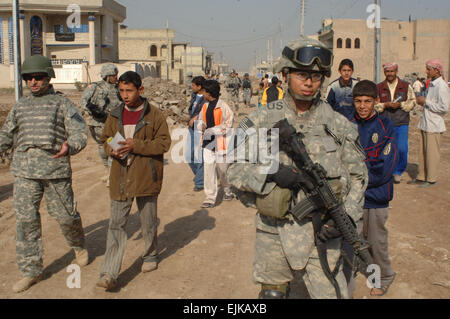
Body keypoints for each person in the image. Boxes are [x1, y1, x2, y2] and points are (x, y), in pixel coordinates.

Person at [226, 36, 367, 299]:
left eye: (316, 76)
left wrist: (346, 215)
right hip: (274, 231)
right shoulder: (260, 120)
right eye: (302, 74)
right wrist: (270, 173)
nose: (309, 82)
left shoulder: (339, 125)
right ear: (286, 74)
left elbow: (359, 176)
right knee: (272, 296)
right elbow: (234, 169)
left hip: (324, 234)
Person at [0, 55, 89, 293]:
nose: (33, 82)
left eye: (38, 77)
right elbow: (6, 135)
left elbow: (80, 134)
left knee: (66, 216)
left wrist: (69, 146)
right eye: (28, 78)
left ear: (49, 77)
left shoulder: (63, 104)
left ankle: (78, 245)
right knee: (26, 221)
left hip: (55, 170)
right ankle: (31, 271)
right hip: (24, 171)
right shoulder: (20, 106)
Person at [96, 71, 171, 290]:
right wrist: (112, 149)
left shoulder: (154, 115)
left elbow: (164, 143)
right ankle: (109, 272)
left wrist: (135, 145)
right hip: (121, 175)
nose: (125, 95)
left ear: (140, 90)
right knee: (116, 224)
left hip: (146, 175)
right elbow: (106, 138)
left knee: (148, 221)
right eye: (121, 91)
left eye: (129, 91)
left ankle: (149, 255)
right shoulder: (114, 114)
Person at [347, 80, 397, 297]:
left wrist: (358, 174)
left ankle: (382, 277)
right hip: (351, 199)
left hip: (376, 198)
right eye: (358, 101)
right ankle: (348, 278)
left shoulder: (386, 126)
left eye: (367, 101)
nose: (363, 106)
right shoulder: (346, 125)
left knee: (376, 243)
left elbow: (385, 168)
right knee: (351, 242)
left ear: (375, 101)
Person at [80, 63, 121, 186]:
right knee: (102, 147)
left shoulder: (119, 88)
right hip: (98, 124)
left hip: (114, 123)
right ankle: (107, 171)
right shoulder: (94, 88)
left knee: (113, 147)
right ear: (107, 76)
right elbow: (83, 102)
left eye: (116, 75)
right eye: (113, 75)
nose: (116, 77)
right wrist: (92, 111)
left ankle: (111, 175)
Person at [410, 59, 449, 188]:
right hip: (426, 123)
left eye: (429, 69)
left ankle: (431, 179)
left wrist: (426, 101)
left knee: (432, 153)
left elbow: (444, 107)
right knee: (423, 152)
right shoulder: (432, 84)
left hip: (434, 125)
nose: (426, 71)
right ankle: (422, 177)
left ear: (436, 70)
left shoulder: (441, 86)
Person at [375, 62, 416, 184]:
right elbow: (375, 105)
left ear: (396, 72)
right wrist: (385, 105)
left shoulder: (405, 86)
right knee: (385, 149)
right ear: (385, 73)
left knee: (402, 149)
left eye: (392, 71)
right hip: (385, 122)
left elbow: (413, 102)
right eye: (388, 72)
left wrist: (401, 104)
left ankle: (398, 171)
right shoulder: (379, 87)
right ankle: (386, 171)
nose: (390, 74)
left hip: (401, 122)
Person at [197, 80, 234, 208]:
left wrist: (214, 130)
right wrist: (201, 126)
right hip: (208, 142)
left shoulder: (224, 106)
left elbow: (229, 123)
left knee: (222, 170)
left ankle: (228, 190)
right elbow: (200, 120)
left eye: (204, 91)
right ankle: (210, 197)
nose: (202, 94)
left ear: (209, 92)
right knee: (208, 170)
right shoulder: (205, 106)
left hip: (221, 143)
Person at [187, 76, 206, 191]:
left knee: (200, 155)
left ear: (199, 87)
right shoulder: (194, 96)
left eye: (193, 85)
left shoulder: (206, 98)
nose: (191, 87)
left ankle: (199, 182)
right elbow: (191, 109)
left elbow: (207, 111)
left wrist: (196, 118)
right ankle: (200, 175)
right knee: (189, 155)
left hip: (200, 128)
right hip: (191, 128)